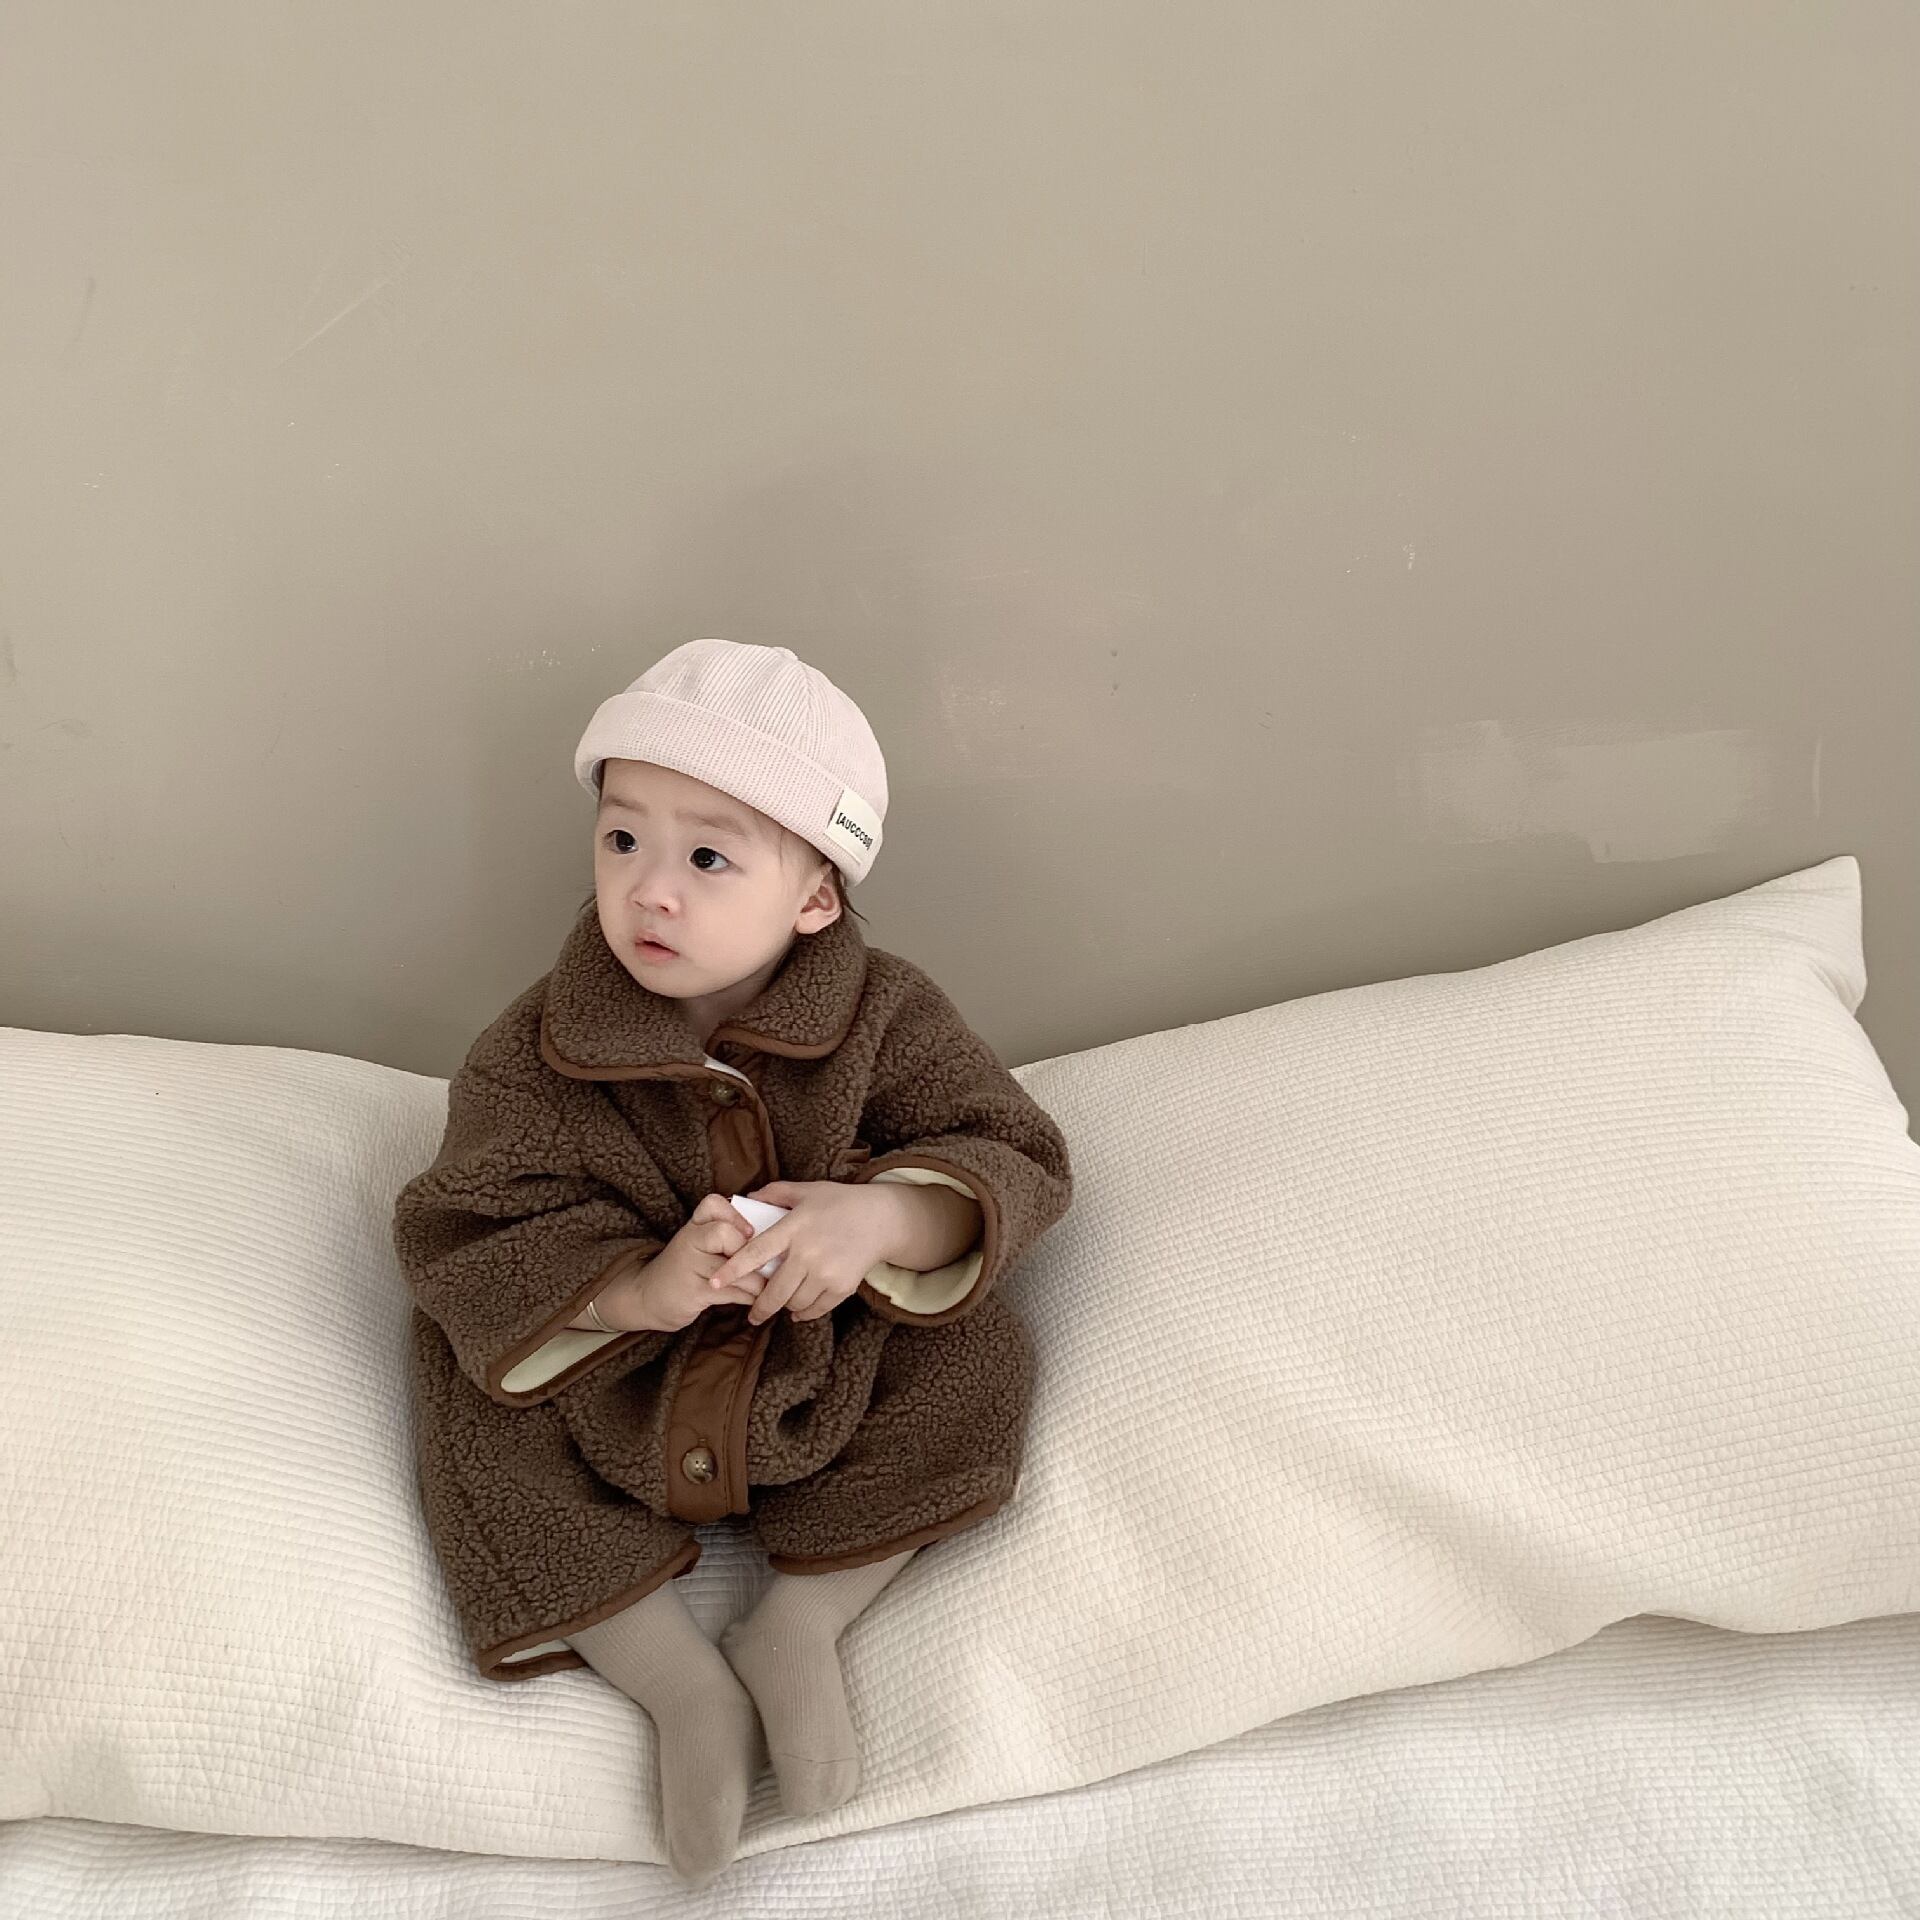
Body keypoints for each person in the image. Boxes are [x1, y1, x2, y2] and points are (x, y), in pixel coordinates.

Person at [390, 638, 1074, 1888]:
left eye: (708, 858)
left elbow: (1010, 1151)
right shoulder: (534, 1050)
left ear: (815, 899)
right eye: (622, 840)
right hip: (623, 1379)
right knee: (462, 1379)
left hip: (822, 1360)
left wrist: (883, 1223)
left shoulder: (888, 1016)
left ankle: (801, 1621)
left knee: (980, 1354)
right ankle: (676, 1684)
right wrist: (634, 1290)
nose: (651, 891)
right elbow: (473, 1224)